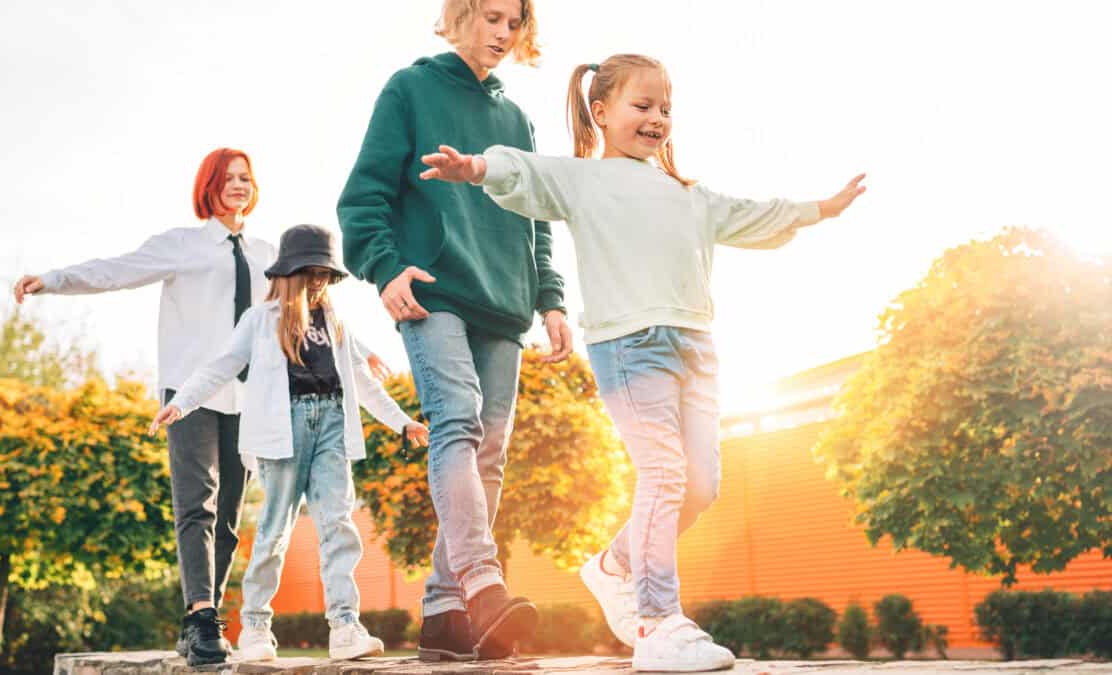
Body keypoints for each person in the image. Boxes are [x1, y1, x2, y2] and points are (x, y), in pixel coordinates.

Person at [420, 53, 866, 672]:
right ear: (600, 112)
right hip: (630, 347)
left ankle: (614, 565)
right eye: (643, 106)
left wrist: (819, 208)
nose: (657, 118)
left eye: (666, 109)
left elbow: (754, 215)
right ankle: (657, 622)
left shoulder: (689, 194)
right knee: (662, 473)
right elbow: (523, 171)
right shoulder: (583, 180)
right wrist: (475, 168)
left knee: (702, 484)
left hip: (698, 350)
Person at [336, 0, 572, 661]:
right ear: (460, 14)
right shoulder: (409, 88)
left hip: (505, 302)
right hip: (432, 288)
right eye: (492, 17)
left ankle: (444, 611)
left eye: (514, 22)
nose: (504, 33)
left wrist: (551, 299)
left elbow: (538, 216)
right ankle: (482, 583)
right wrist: (383, 267)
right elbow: (363, 196)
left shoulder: (516, 118)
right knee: (457, 419)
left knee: (489, 449)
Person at [14, 148, 274, 665]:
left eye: (246, 178)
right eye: (228, 178)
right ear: (209, 186)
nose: (239, 186)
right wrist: (54, 280)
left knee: (228, 516)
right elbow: (117, 271)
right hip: (189, 393)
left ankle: (205, 616)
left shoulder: (268, 252)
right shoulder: (182, 245)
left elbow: (299, 307)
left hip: (248, 395)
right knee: (195, 503)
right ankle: (201, 616)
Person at [151, 224, 430, 662]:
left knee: (339, 523)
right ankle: (257, 628)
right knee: (274, 529)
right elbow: (223, 365)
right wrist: (183, 402)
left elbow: (360, 380)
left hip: (333, 422)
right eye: (310, 273)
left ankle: (344, 626)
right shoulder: (261, 321)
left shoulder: (336, 322)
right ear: (289, 274)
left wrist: (401, 422)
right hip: (285, 430)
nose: (318, 281)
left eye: (325, 274)